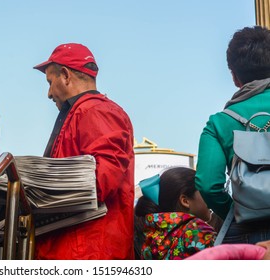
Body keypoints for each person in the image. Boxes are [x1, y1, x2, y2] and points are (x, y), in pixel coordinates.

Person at [33, 43, 135, 260]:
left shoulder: (95, 110)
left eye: (50, 83)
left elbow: (100, 181)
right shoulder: (84, 112)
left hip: (87, 253)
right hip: (76, 249)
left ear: (65, 75)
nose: (49, 93)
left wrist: (37, 187)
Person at [195, 26, 270, 244]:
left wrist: (240, 210)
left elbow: (208, 184)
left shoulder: (219, 122)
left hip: (248, 231)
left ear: (234, 76)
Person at [134, 167, 216, 260]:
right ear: (185, 201)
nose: (210, 199)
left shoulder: (152, 232)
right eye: (203, 193)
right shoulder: (197, 229)